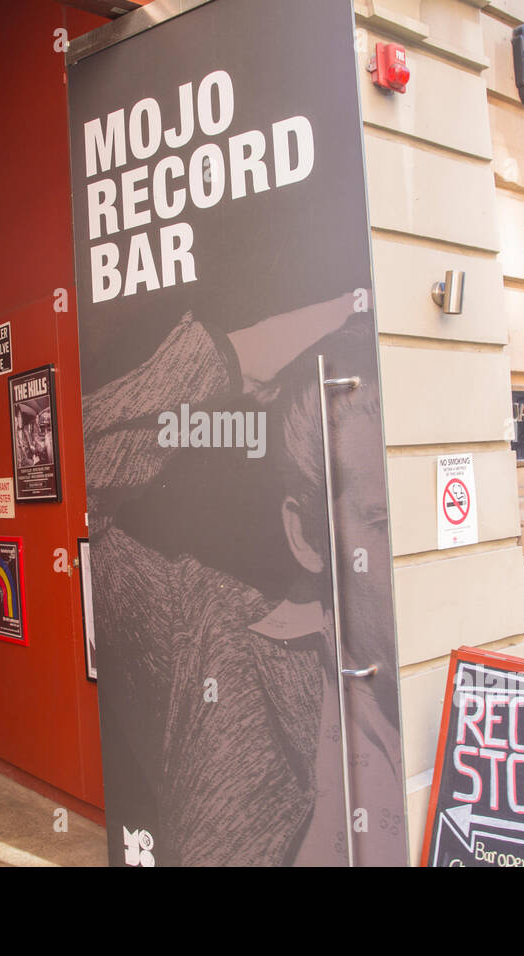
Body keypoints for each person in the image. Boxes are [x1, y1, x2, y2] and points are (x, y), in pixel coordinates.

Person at [84, 293, 402, 866]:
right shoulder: (208, 635)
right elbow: (72, 490)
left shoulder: (492, 707)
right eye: (382, 521)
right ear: (305, 536)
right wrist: (239, 355)